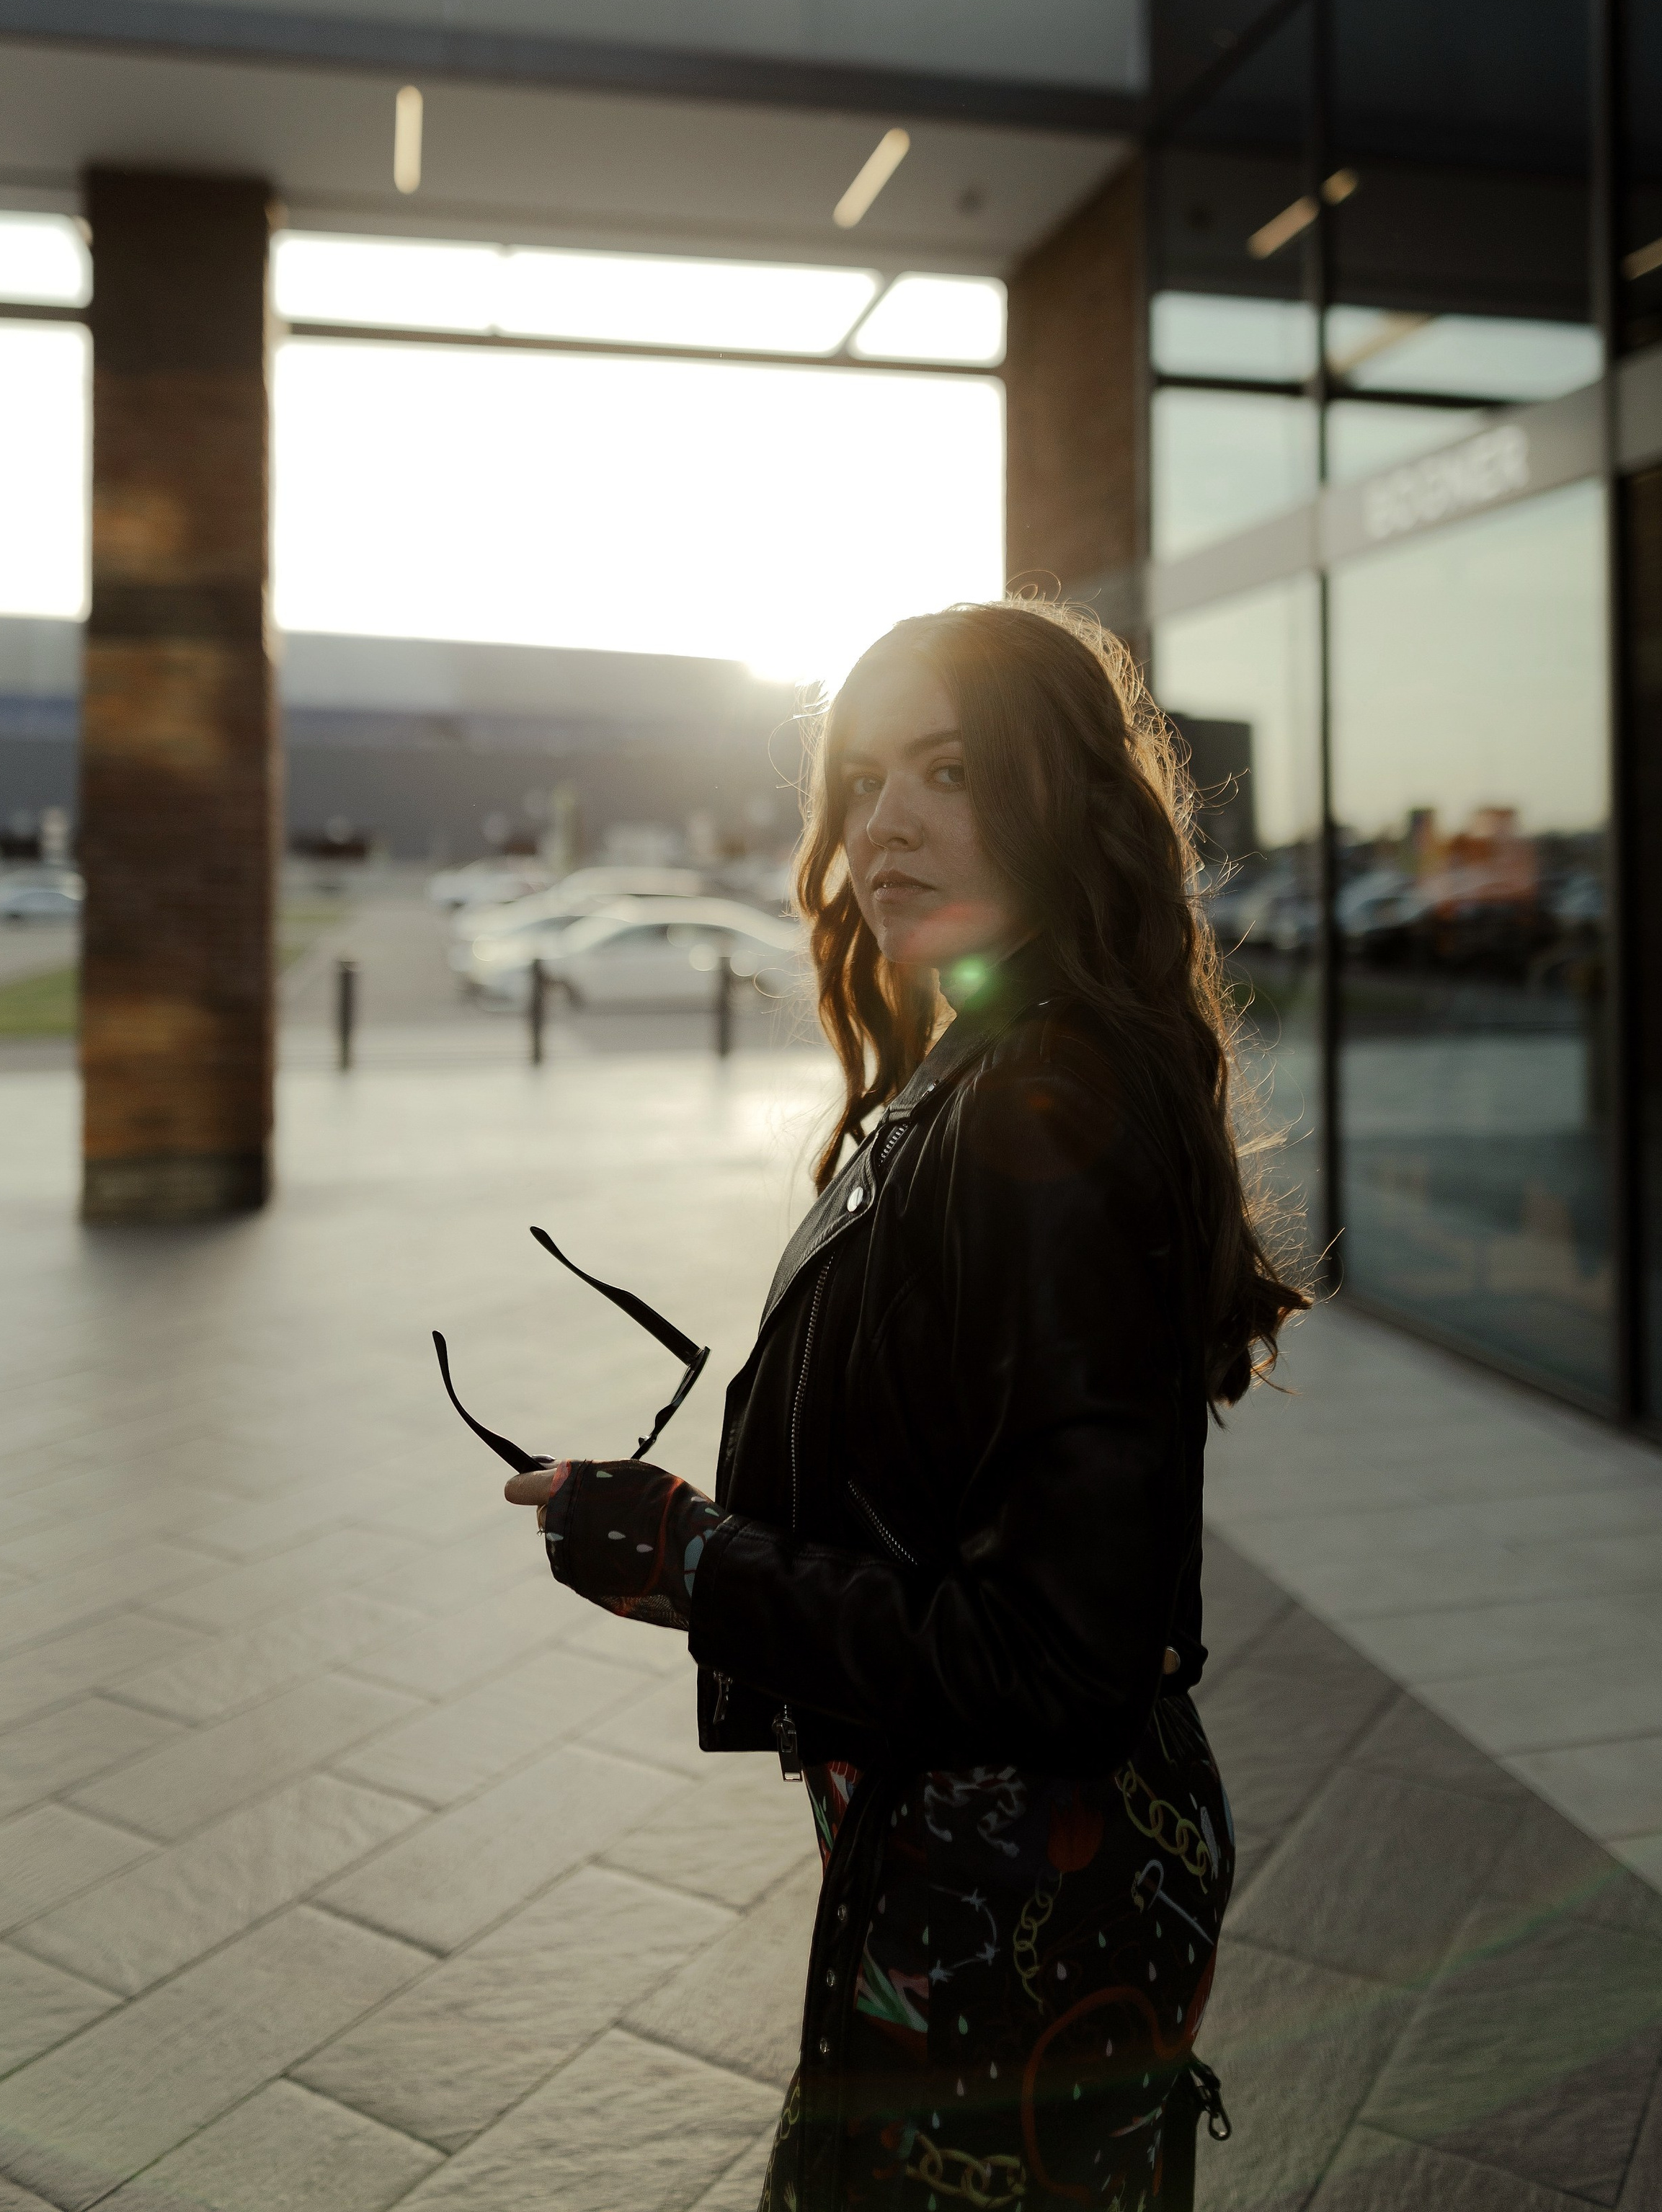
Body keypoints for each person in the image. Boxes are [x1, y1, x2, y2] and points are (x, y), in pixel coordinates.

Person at [507, 599, 1306, 2208]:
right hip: (966, 1874)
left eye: (948, 769)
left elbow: (1053, 1662)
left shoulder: (1046, 1110)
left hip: (1015, 1902)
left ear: (1060, 797)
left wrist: (681, 1556)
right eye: (863, 781)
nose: (884, 824)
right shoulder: (992, 1067)